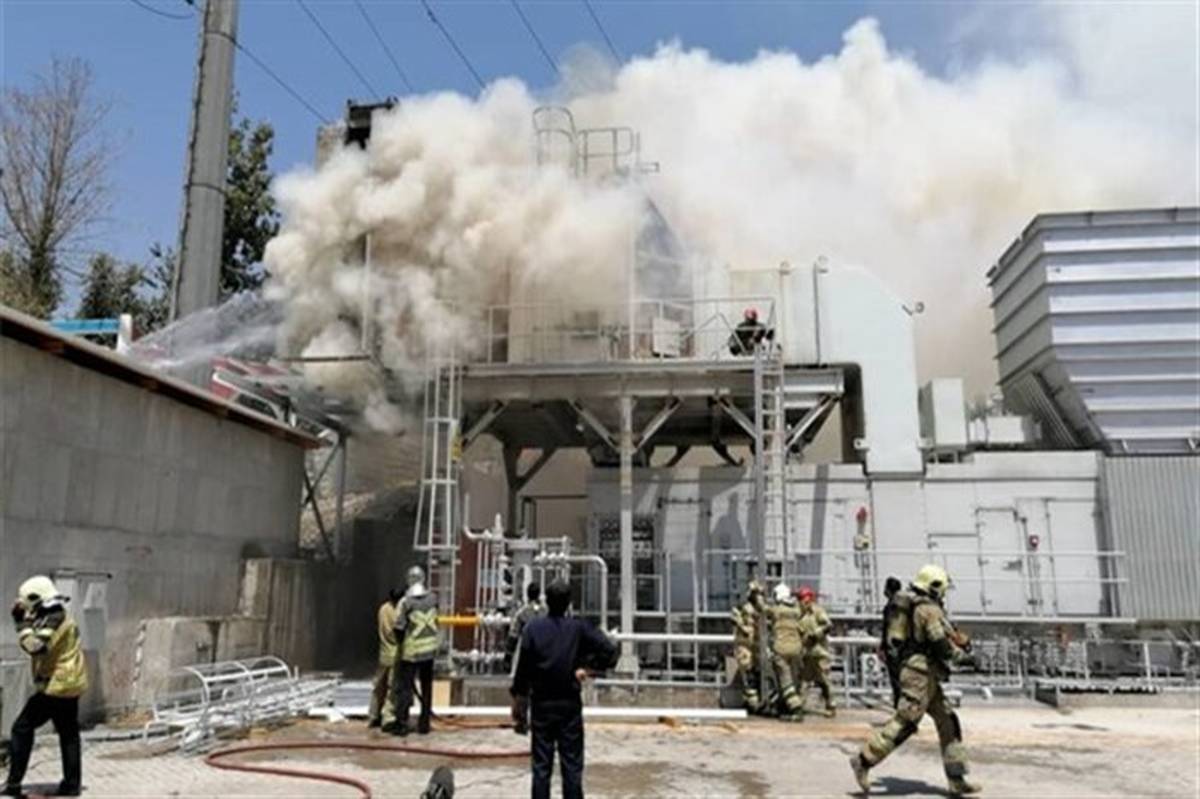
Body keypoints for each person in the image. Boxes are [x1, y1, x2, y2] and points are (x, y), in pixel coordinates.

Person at [850, 564, 980, 796]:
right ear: (934, 586)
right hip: (919, 675)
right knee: (906, 722)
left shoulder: (916, 606)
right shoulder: (928, 610)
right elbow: (940, 644)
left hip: (926, 675)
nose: (944, 594)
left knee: (948, 721)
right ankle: (863, 760)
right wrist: (965, 658)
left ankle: (956, 779)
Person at [510, 579, 617, 799]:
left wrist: (519, 702)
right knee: (572, 766)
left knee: (541, 767)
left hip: (541, 705)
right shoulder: (578, 628)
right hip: (569, 705)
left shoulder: (533, 629)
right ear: (569, 603)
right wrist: (589, 668)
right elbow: (610, 651)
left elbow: (523, 670)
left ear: (547, 601)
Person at [5, 576, 87, 798]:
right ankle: (71, 785)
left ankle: (13, 784)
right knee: (68, 733)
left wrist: (20, 623)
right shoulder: (55, 613)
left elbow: (35, 646)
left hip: (57, 685)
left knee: (21, 728)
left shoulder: (55, 617)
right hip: (69, 683)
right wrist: (27, 618)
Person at [388, 565, 439, 736]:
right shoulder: (433, 598)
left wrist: (399, 645)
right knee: (427, 687)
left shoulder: (406, 602)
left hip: (411, 653)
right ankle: (424, 723)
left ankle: (401, 723)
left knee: (405, 688)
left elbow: (399, 627)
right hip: (430, 651)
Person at [766, 583, 805, 718]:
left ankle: (795, 708)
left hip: (781, 648)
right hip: (796, 648)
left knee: (785, 680)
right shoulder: (797, 610)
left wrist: (755, 595)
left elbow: (762, 608)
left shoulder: (777, 610)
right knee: (794, 679)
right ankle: (785, 705)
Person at [796, 586, 836, 717]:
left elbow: (828, 625)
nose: (801, 602)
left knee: (824, 680)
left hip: (820, 652)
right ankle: (799, 705)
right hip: (807, 653)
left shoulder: (817, 611)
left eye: (802, 599)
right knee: (804, 681)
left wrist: (815, 634)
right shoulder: (799, 614)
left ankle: (831, 706)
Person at [730, 579, 767, 712]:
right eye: (756, 593)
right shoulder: (743, 607)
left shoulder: (761, 608)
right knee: (747, 670)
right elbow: (734, 617)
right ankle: (752, 702)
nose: (758, 596)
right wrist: (742, 626)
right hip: (744, 644)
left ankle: (758, 700)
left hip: (757, 644)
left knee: (759, 671)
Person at [368, 588, 402, 730]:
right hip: (395, 655)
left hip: (383, 654)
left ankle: (373, 715)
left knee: (378, 686)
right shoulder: (398, 612)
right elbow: (400, 631)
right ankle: (388, 718)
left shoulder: (383, 609)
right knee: (392, 688)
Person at [506, 582, 547, 672]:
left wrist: (508, 656)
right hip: (545, 652)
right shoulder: (546, 612)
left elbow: (513, 635)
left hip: (527, 652)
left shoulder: (522, 613)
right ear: (539, 594)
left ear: (528, 594)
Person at [879, 576, 906, 708]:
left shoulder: (891, 607)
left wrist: (883, 646)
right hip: (904, 646)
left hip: (893, 646)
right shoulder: (904, 605)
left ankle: (899, 705)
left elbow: (888, 627)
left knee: (896, 678)